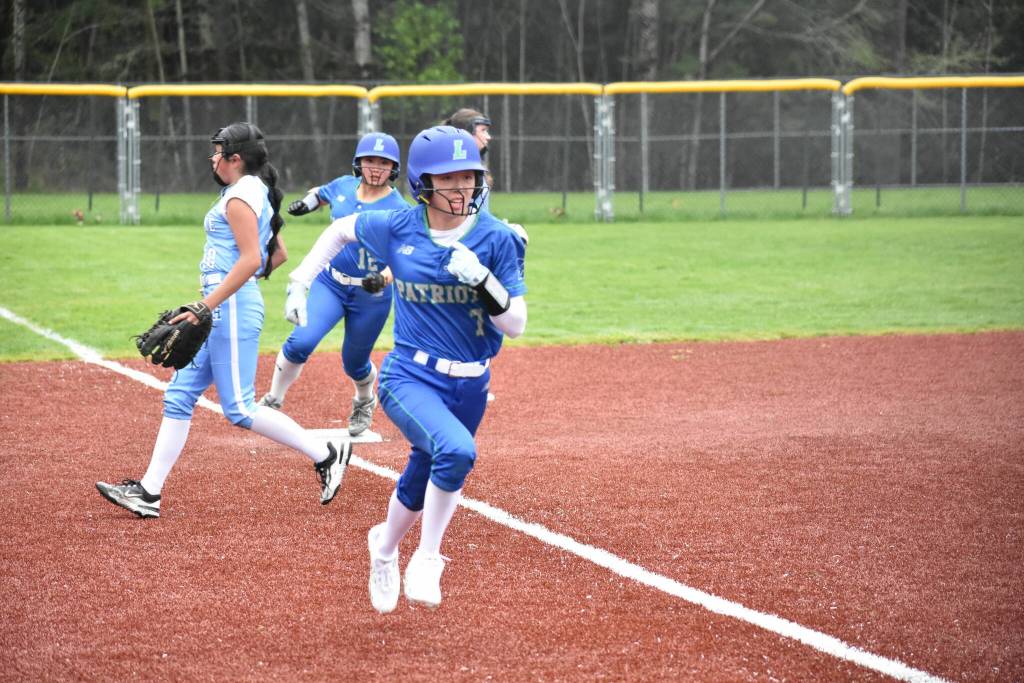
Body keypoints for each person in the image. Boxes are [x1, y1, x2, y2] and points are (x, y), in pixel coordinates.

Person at [285, 125, 527, 612]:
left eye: (470, 177)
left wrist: (483, 281)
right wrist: (300, 280)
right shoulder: (399, 224)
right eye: (449, 178)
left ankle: (383, 547)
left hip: (471, 381)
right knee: (456, 451)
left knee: (425, 464)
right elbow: (338, 230)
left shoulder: (498, 238)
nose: (462, 189)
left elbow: (515, 323)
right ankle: (430, 556)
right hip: (408, 374)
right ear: (421, 182)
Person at [96, 122, 350, 519]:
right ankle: (149, 492)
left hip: (227, 308)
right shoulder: (246, 192)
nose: (213, 158)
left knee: (240, 409)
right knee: (179, 396)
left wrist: (206, 305)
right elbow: (276, 254)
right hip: (223, 304)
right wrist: (215, 298)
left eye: (218, 152)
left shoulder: (241, 195)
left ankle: (326, 453)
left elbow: (252, 260)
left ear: (236, 159)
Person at [258, 132, 411, 437]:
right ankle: (273, 398)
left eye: (384, 162)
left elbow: (405, 255)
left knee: (353, 363)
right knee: (301, 341)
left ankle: (365, 399)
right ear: (359, 163)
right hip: (332, 283)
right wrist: (308, 202)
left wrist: (383, 278)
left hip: (372, 294)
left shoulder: (399, 209)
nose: (376, 167)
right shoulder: (343, 185)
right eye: (370, 160)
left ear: (394, 168)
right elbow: (323, 192)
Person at [443, 108, 529, 402]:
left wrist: (505, 231)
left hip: (479, 247)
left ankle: (474, 374)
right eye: (482, 130)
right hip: (459, 251)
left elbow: (480, 216)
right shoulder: (450, 169)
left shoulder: (476, 168)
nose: (488, 135)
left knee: (486, 307)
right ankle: (453, 376)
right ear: (466, 134)